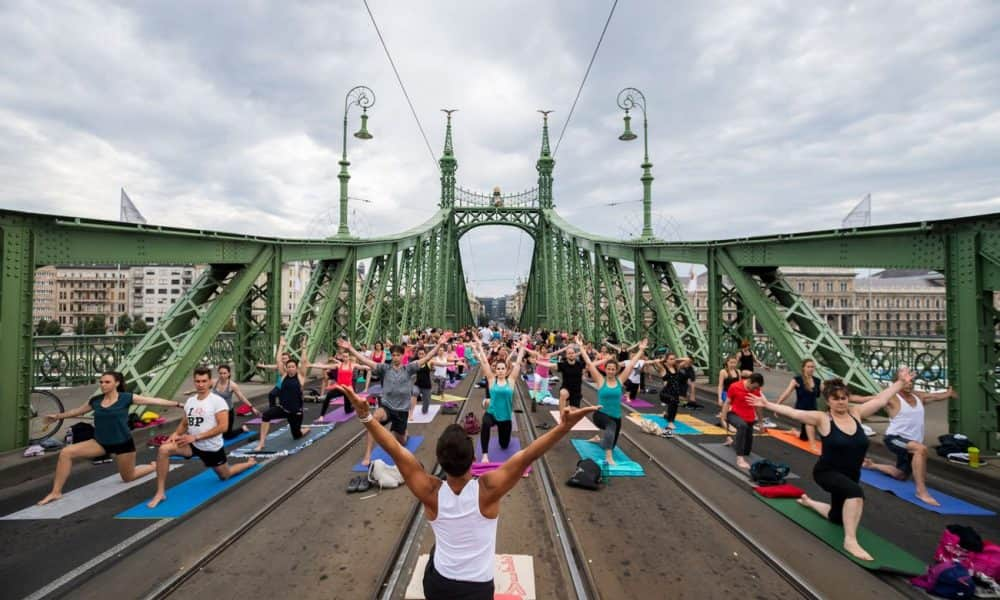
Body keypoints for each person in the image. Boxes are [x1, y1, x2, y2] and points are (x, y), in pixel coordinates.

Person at [339, 384, 598, 599]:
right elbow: (528, 454)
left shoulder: (430, 490)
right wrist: (563, 426)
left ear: (439, 461)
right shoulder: (488, 489)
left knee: (434, 558)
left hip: (440, 586)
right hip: (477, 588)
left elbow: (396, 450)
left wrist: (367, 417)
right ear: (473, 458)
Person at [747, 369, 914, 561]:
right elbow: (795, 413)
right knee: (855, 494)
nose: (841, 401)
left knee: (836, 517)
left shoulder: (856, 413)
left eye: (844, 398)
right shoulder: (823, 419)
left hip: (851, 474)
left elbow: (881, 400)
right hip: (827, 473)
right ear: (828, 401)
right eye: (836, 398)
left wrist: (900, 383)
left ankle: (808, 502)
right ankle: (850, 541)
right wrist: (767, 404)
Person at [38, 371, 184, 505]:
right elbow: (76, 411)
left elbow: (154, 401)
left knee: (128, 477)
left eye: (107, 382)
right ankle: (56, 492)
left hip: (123, 444)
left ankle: (153, 466)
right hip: (100, 443)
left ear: (117, 383)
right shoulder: (95, 400)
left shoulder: (126, 398)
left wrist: (178, 404)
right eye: (101, 382)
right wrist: (56, 417)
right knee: (66, 452)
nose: (103, 385)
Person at [148, 367, 258, 508]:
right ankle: (160, 492)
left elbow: (223, 427)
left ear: (209, 382)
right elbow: (184, 423)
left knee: (225, 475)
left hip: (212, 448)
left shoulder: (217, 401)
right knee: (164, 450)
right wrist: (175, 435)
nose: (200, 384)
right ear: (194, 382)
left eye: (204, 381)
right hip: (192, 445)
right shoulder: (190, 401)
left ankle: (249, 463)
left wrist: (196, 437)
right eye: (197, 381)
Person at [341, 334, 447, 467]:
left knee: (401, 441)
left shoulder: (408, 369)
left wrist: (439, 345)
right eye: (394, 355)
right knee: (373, 419)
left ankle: (404, 434)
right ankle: (368, 455)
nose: (396, 357)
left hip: (402, 410)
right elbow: (365, 361)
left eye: (398, 355)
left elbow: (426, 358)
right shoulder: (384, 369)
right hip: (387, 406)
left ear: (403, 356)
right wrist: (350, 349)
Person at [861, 369, 957, 506]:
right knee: (921, 449)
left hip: (911, 443)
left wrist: (948, 393)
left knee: (901, 475)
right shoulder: (893, 398)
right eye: (906, 381)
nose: (909, 384)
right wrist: (843, 399)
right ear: (897, 383)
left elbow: (935, 396)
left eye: (911, 381)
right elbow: (867, 399)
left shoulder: (919, 397)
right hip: (894, 439)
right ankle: (921, 492)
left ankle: (871, 465)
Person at [581, 337, 647, 464]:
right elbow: (589, 364)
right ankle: (609, 457)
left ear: (616, 370)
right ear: (605, 369)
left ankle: (597, 440)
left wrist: (641, 350)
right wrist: (581, 347)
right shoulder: (601, 380)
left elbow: (632, 364)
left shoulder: (620, 380)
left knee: (610, 443)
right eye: (608, 369)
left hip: (616, 417)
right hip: (600, 414)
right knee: (610, 427)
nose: (610, 371)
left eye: (613, 369)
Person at [471, 339, 526, 463]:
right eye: (498, 369)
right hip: (492, 413)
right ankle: (485, 454)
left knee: (504, 445)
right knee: (485, 423)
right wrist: (479, 347)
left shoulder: (511, 381)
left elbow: (517, 364)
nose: (500, 371)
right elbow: (484, 362)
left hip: (505, 417)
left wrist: (522, 348)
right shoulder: (491, 380)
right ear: (495, 370)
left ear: (506, 370)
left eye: (503, 369)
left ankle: (504, 440)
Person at [254, 346, 312, 451]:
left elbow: (303, 362)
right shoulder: (284, 375)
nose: (290, 368)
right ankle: (261, 443)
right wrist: (281, 345)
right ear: (286, 368)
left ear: (296, 368)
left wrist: (303, 348)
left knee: (297, 435)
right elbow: (278, 361)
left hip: (295, 412)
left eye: (293, 366)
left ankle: (305, 429)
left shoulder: (301, 377)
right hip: (283, 409)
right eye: (288, 366)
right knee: (266, 416)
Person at [722, 372, 766, 469]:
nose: (755, 389)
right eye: (754, 387)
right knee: (742, 426)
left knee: (746, 450)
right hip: (734, 414)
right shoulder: (735, 387)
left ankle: (731, 441)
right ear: (749, 381)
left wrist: (761, 423)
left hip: (749, 418)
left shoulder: (756, 389)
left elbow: (758, 407)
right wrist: (723, 417)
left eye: (757, 388)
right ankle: (740, 459)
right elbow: (727, 402)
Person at [776, 358, 822, 451]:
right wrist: (777, 405)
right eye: (808, 367)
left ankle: (794, 431)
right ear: (804, 368)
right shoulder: (797, 379)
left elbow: (820, 395)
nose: (811, 369)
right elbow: (787, 393)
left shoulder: (817, 381)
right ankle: (813, 445)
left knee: (804, 438)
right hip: (801, 409)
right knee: (810, 424)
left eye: (813, 367)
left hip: (813, 409)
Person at [312, 349, 370, 416]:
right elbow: (325, 366)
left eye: (346, 357)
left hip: (348, 389)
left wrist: (367, 367)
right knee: (328, 396)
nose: (345, 358)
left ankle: (355, 408)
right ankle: (322, 415)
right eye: (344, 356)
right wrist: (311, 365)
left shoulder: (353, 365)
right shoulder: (339, 365)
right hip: (340, 388)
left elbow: (361, 367)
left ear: (348, 357)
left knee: (348, 410)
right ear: (342, 357)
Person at [212, 364, 260, 439]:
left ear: (229, 374)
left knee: (227, 436)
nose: (222, 375)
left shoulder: (232, 385)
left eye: (224, 373)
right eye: (220, 373)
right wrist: (191, 391)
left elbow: (241, 397)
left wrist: (252, 407)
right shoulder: (214, 382)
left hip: (227, 412)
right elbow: (203, 387)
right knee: (213, 432)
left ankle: (242, 429)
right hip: (215, 411)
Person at [651, 353, 693, 433]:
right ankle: (670, 423)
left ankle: (666, 415)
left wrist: (674, 360)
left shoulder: (677, 367)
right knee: (673, 401)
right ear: (666, 360)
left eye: (674, 359)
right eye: (671, 359)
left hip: (675, 393)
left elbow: (688, 360)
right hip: (665, 393)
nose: (673, 360)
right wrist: (664, 360)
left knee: (675, 402)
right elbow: (656, 361)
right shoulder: (663, 369)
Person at [256, 337, 291, 408]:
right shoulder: (280, 365)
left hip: (285, 387)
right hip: (279, 386)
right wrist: (263, 366)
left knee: (281, 400)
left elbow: (278, 361)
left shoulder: (289, 367)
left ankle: (280, 409)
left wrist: (281, 345)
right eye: (283, 358)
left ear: (289, 359)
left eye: (285, 358)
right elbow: (273, 366)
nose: (284, 360)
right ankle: (273, 408)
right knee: (272, 395)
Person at [410, 347, 434, 418]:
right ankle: (410, 413)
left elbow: (442, 363)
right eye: (419, 354)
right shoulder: (416, 362)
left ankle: (424, 409)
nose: (421, 355)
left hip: (427, 386)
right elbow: (407, 366)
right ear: (418, 355)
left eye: (422, 354)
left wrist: (453, 363)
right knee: (414, 393)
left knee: (425, 410)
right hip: (417, 385)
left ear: (425, 354)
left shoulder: (429, 362)